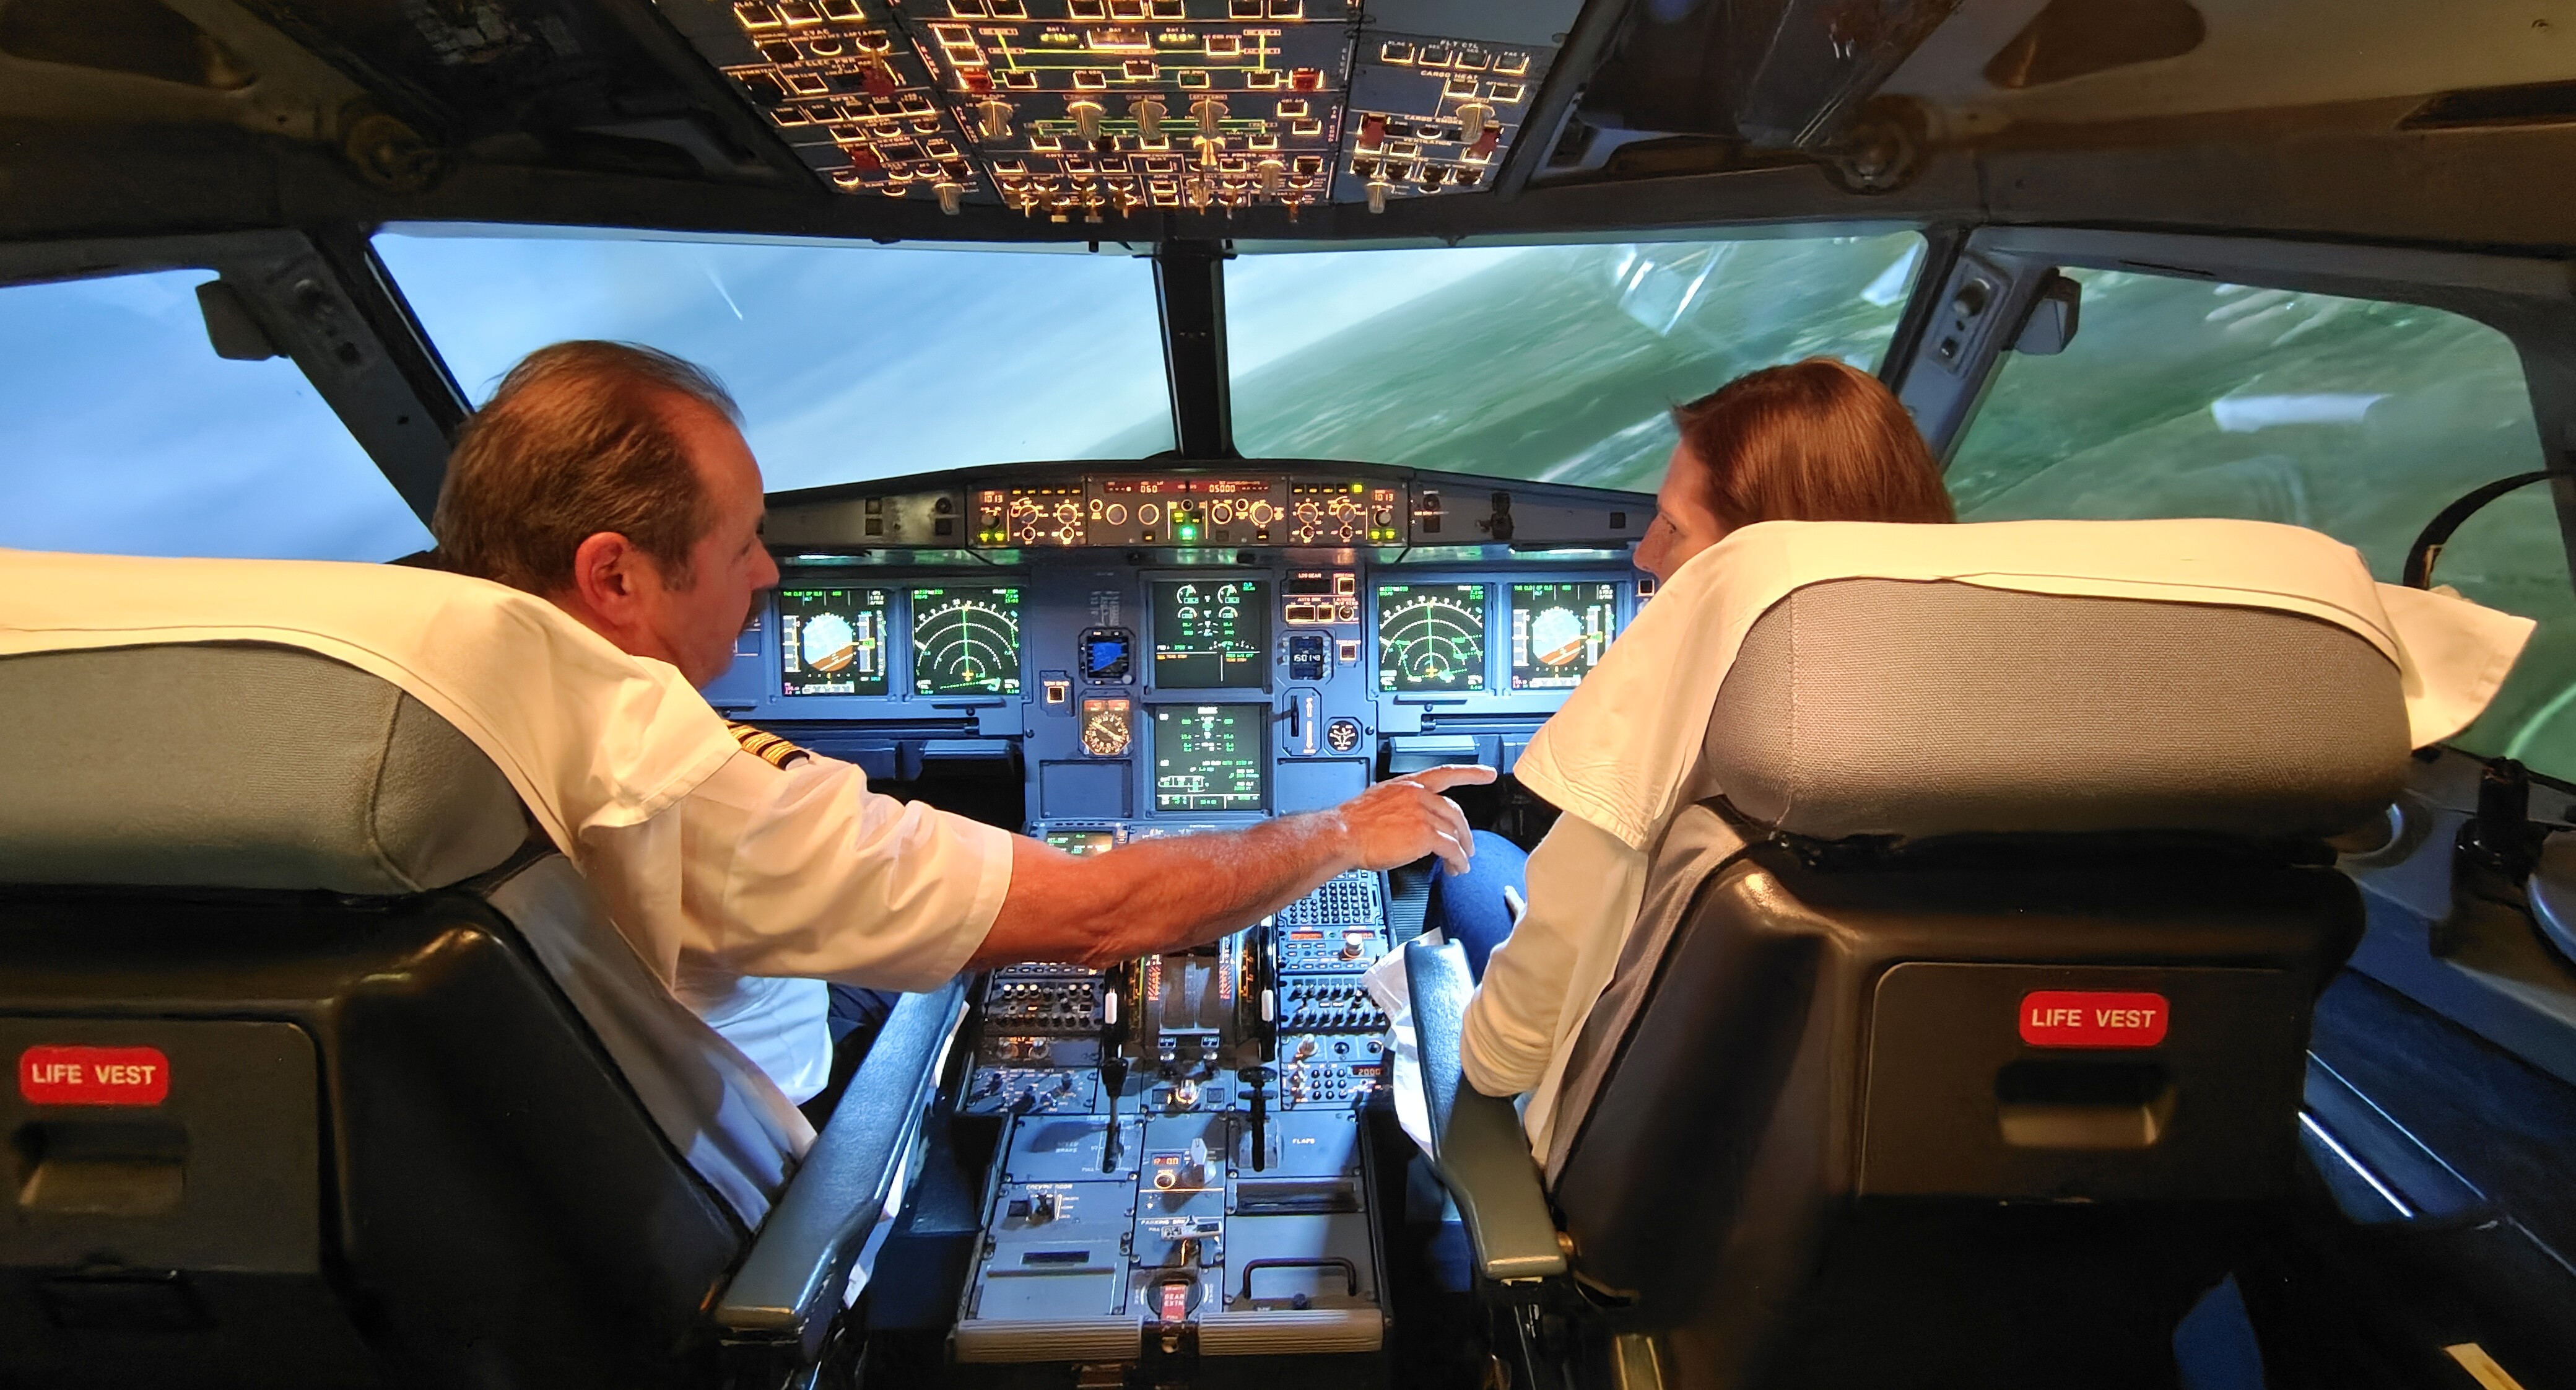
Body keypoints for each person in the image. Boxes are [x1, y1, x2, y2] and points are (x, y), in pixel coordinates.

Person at [429, 341, 1491, 1112]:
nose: (771, 575)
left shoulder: (409, 710)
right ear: (614, 576)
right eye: (742, 542)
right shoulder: (681, 788)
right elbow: (1103, 916)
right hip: (763, 1121)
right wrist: (1341, 831)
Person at [1435, 358, 1951, 1107]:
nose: (1644, 555)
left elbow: (1498, 1060)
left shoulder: (1662, 742)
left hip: (1656, 1129)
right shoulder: (1996, 722)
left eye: (1673, 528)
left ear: (1754, 560)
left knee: (1475, 857)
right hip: (1896, 1106)